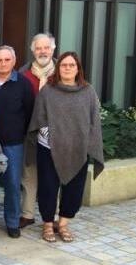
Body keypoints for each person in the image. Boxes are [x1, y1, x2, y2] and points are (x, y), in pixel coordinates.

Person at [28, 51, 104, 243]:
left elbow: (94, 120)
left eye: (71, 65)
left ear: (78, 69)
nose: (68, 68)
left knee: (74, 189)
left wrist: (89, 143)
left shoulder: (88, 91)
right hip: (49, 149)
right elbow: (39, 117)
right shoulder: (48, 90)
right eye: (64, 65)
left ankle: (62, 224)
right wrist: (53, 137)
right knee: (48, 188)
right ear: (58, 68)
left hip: (78, 149)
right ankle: (47, 224)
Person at [0, 45, 34, 239]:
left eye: (6, 60)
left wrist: (18, 132)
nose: (2, 63)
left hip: (13, 144)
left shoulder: (24, 84)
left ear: (14, 61)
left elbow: (29, 112)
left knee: (12, 183)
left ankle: (12, 222)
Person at [18, 33, 57, 228]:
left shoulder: (64, 72)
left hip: (56, 134)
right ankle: (27, 213)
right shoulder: (23, 74)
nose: (43, 51)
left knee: (53, 175)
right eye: (39, 48)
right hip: (30, 133)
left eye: (46, 48)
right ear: (33, 50)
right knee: (29, 173)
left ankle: (52, 216)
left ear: (53, 49)